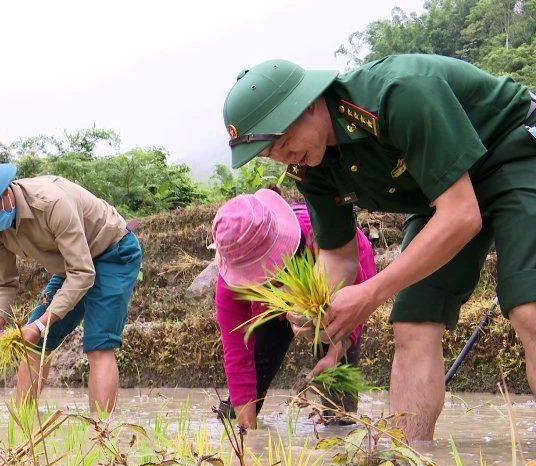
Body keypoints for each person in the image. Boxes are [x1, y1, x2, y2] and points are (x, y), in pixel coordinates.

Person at [221, 54, 536, 441]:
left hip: (512, 151)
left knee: (528, 307)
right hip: (437, 194)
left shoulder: (398, 95)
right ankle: (408, 456)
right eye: (273, 154)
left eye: (285, 143)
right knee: (412, 323)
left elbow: (461, 215)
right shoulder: (311, 167)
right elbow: (338, 255)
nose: (285, 158)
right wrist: (317, 311)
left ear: (311, 104)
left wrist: (371, 292)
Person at [0, 159, 142, 415]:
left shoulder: (51, 203)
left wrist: (41, 324)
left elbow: (82, 273)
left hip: (112, 251)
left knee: (99, 343)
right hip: (68, 266)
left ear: (5, 192)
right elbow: (2, 282)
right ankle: (23, 427)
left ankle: (101, 436)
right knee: (34, 345)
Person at [213, 188, 377, 429]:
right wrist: (246, 446)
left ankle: (341, 438)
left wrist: (334, 353)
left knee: (338, 403)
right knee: (238, 411)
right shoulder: (230, 283)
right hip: (272, 308)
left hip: (334, 292)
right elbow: (238, 355)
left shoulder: (328, 241)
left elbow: (353, 306)